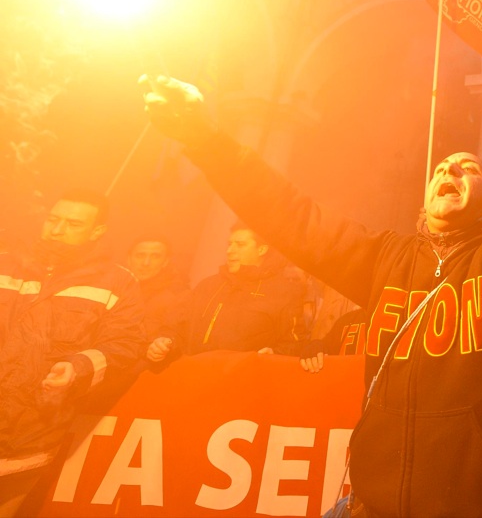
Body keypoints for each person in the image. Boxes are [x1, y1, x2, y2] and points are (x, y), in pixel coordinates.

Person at [140, 0, 482, 517]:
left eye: (468, 169)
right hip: (371, 504)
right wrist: (204, 139)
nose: (450, 170)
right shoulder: (386, 260)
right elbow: (289, 215)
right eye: (441, 167)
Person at [0, 191, 144, 517]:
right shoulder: (5, 264)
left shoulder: (117, 282)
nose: (57, 230)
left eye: (73, 224)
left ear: (97, 231)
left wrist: (77, 367)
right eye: (53, 219)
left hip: (30, 433)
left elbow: (125, 344)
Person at [146, 222, 306, 362]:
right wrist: (165, 342)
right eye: (229, 244)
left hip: (238, 382)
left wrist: (274, 354)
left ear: (262, 249)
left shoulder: (284, 293)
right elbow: (175, 325)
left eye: (240, 245)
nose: (230, 250)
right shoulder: (208, 285)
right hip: (192, 375)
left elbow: (295, 344)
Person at [126, 236, 189, 340]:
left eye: (155, 257)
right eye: (140, 255)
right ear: (128, 259)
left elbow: (174, 337)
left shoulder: (177, 296)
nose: (146, 263)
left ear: (165, 262)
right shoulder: (112, 289)